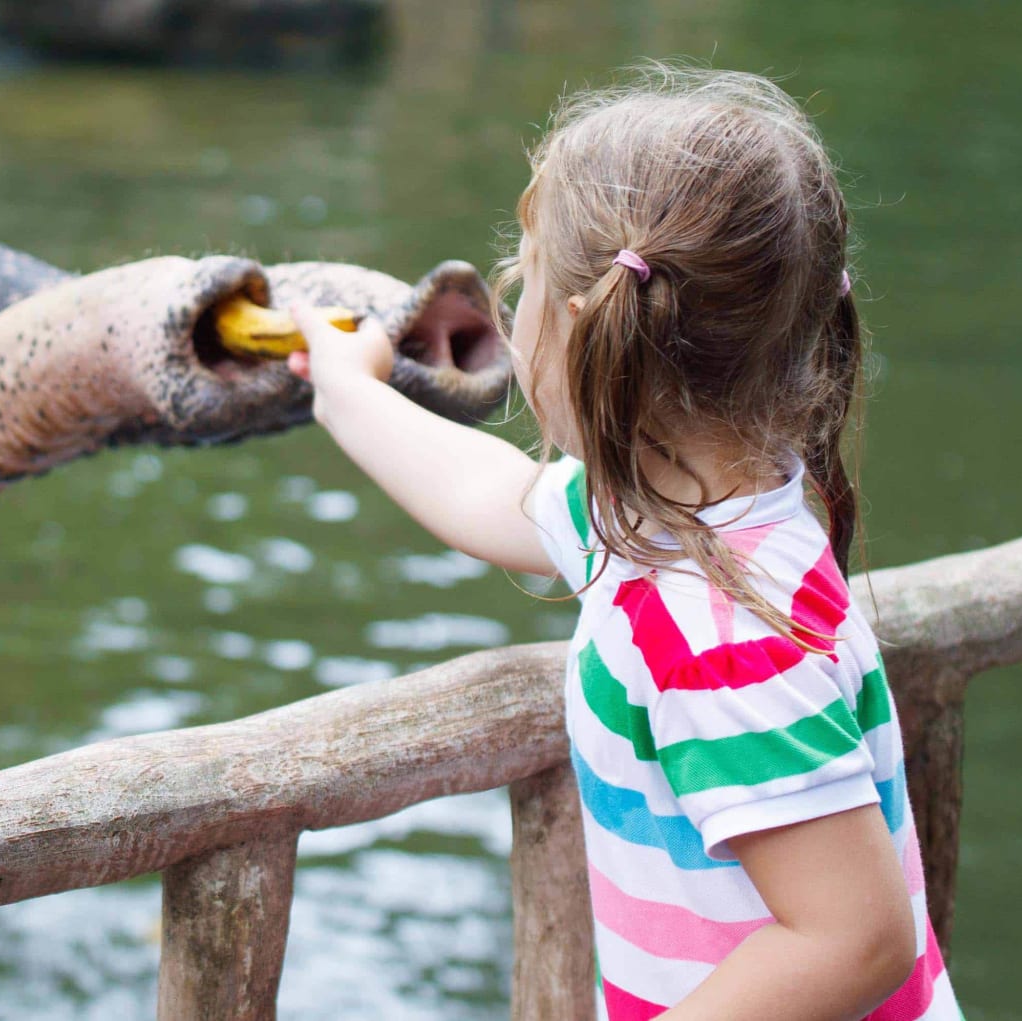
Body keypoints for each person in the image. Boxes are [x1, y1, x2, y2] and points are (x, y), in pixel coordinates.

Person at [291, 65, 957, 1020]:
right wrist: (344, 389)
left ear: (579, 325)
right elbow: (499, 495)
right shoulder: (696, 514)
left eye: (520, 277)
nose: (508, 305)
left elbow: (857, 937)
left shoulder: (711, 631)